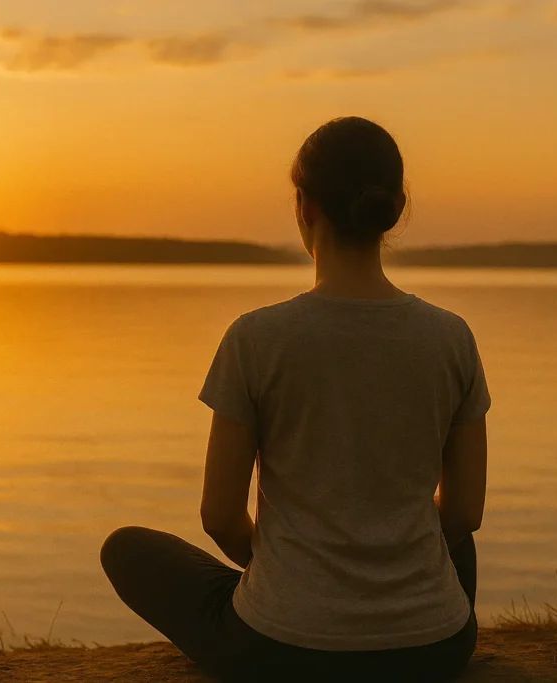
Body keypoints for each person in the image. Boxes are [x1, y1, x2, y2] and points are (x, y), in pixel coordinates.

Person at [100, 117, 490, 683]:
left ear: (304, 205)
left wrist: (296, 573)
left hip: (280, 653)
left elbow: (220, 517)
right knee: (438, 533)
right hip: (434, 649)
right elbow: (463, 514)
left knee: (126, 549)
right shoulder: (452, 337)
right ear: (397, 206)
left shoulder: (257, 339)